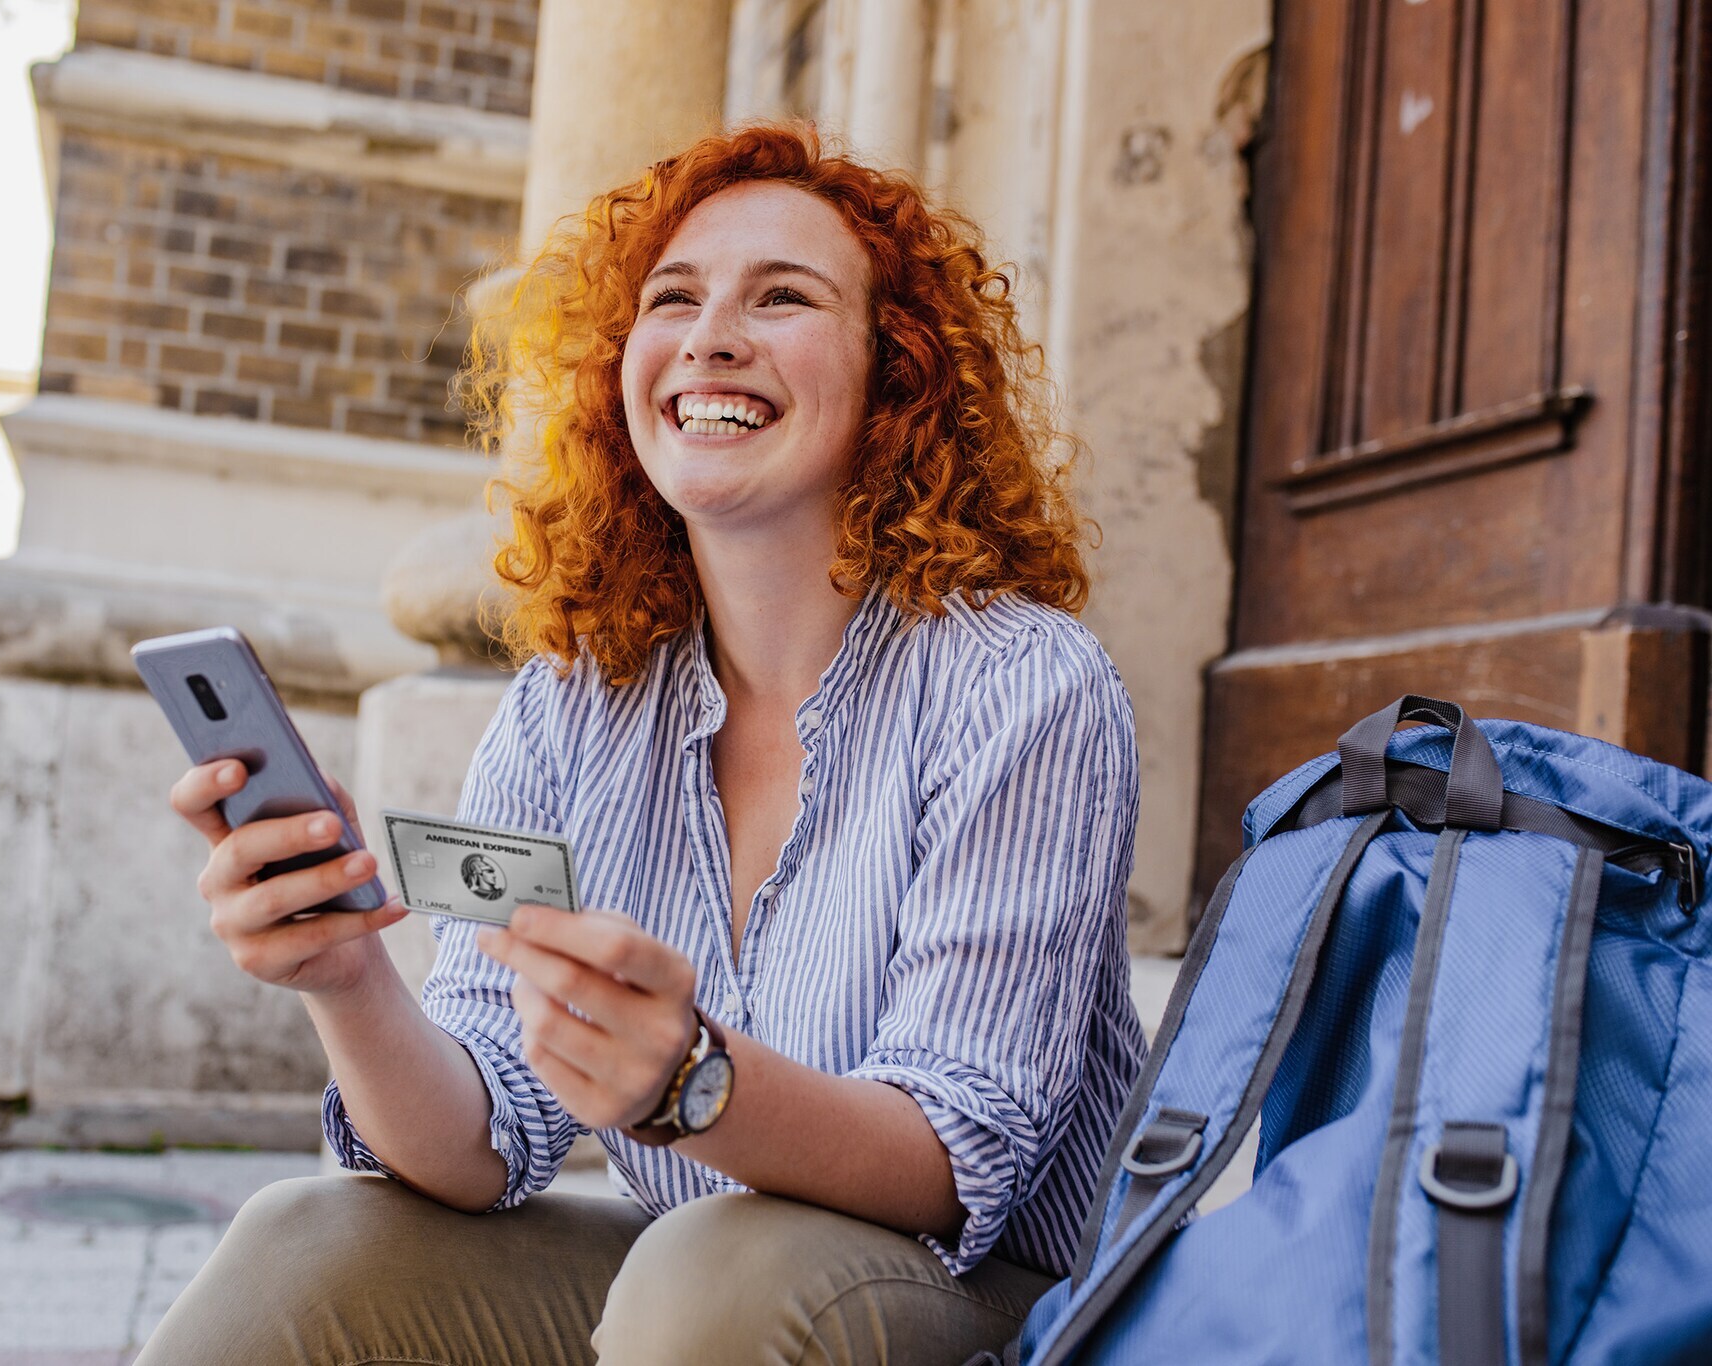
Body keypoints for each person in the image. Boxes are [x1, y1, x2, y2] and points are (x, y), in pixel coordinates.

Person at [138, 123, 1143, 1366]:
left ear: (897, 375)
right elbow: (479, 1137)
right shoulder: (571, 702)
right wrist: (344, 976)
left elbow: (953, 1158)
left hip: (1000, 1302)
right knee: (305, 1245)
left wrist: (690, 1084)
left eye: (781, 296)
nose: (710, 335)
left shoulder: (1021, 686)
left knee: (707, 1272)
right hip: (694, 1283)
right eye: (674, 299)